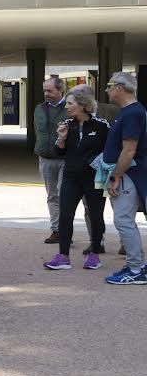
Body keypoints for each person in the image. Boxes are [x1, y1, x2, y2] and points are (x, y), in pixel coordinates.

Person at [44, 84, 109, 270]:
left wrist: (106, 175)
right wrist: (61, 138)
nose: (66, 107)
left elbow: (111, 150)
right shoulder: (67, 125)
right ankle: (63, 256)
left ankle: (95, 253)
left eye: (70, 103)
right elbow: (58, 152)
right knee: (65, 214)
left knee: (96, 215)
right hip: (71, 177)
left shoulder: (101, 125)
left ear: (82, 104)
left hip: (95, 178)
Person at [101, 72, 147, 285]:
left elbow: (129, 150)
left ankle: (136, 269)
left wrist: (116, 176)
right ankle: (136, 265)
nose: (107, 90)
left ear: (119, 87)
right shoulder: (129, 112)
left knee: (123, 220)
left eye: (109, 85)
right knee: (125, 221)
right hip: (128, 173)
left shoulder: (131, 114)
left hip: (128, 175)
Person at [34, 75, 68, 245]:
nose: (46, 93)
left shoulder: (70, 108)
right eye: (45, 90)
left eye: (50, 90)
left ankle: (65, 231)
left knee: (63, 194)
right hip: (45, 158)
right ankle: (56, 230)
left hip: (64, 159)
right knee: (52, 196)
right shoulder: (39, 108)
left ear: (61, 90)